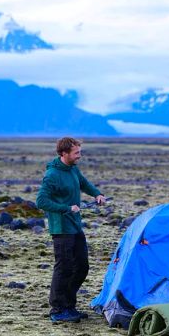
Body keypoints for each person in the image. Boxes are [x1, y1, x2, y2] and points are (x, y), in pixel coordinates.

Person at [36, 137, 106, 323]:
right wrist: (66, 208)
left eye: (79, 152)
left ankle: (69, 305)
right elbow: (41, 201)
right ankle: (58, 310)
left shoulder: (73, 169)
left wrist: (97, 194)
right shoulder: (52, 175)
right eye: (76, 153)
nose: (79, 156)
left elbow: (83, 183)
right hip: (61, 228)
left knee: (81, 267)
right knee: (64, 268)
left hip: (75, 226)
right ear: (64, 153)